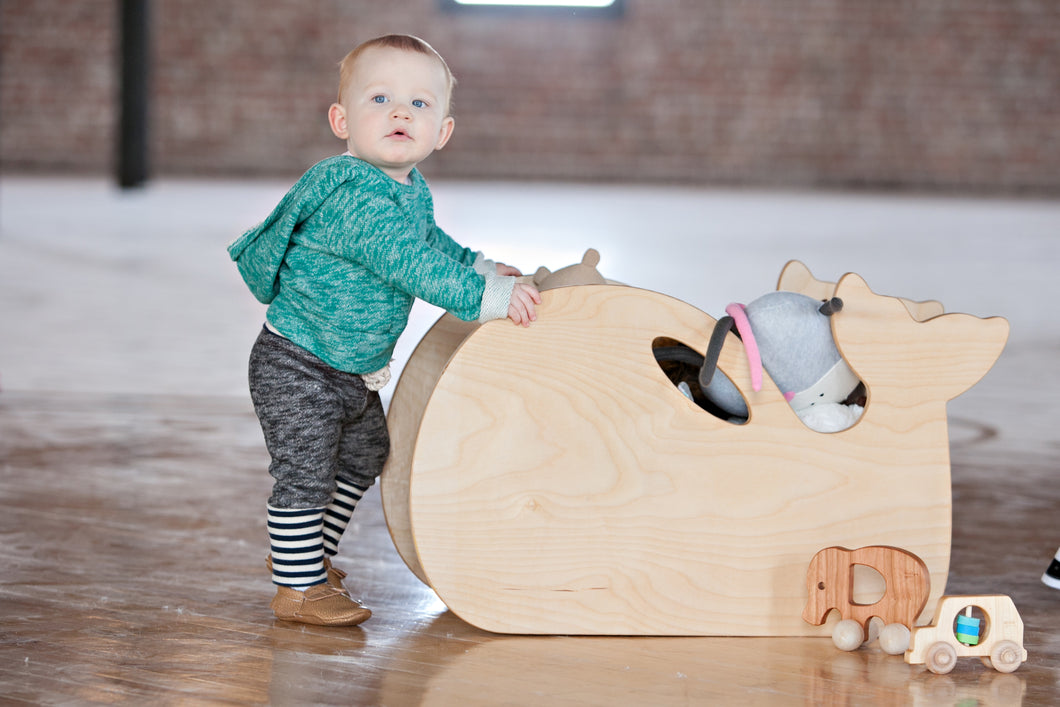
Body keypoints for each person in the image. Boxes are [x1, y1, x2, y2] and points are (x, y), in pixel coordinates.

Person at [227, 34, 540, 626]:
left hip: (347, 366)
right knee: (306, 470)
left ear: (442, 132)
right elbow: (412, 264)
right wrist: (488, 296)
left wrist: (473, 262)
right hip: (298, 363)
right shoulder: (354, 197)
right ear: (341, 120)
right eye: (380, 99)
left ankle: (308, 556)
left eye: (420, 104)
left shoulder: (408, 189)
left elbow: (430, 242)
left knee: (367, 451)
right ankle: (297, 588)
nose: (400, 112)